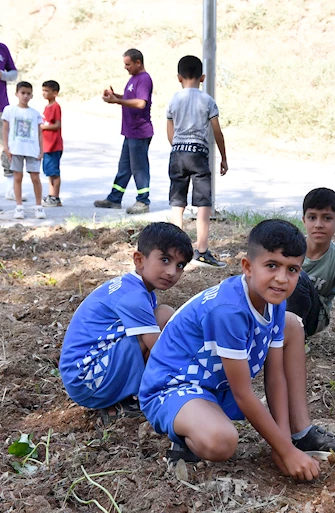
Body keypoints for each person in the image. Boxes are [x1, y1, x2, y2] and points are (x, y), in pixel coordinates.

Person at [138, 219, 335, 478]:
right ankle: (184, 436)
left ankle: (300, 433)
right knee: (222, 442)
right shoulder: (229, 312)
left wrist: (284, 445)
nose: (281, 278)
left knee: (292, 325)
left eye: (292, 269)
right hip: (174, 388)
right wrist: (284, 452)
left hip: (216, 387)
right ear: (247, 267)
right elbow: (243, 393)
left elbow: (276, 377)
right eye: (271, 266)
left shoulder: (274, 299)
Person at [59, 222, 193, 424]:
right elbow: (161, 350)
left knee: (162, 321)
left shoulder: (133, 287)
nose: (172, 272)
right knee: (164, 319)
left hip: (84, 376)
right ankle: (141, 396)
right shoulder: (135, 297)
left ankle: (128, 394)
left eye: (180, 265)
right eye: (165, 260)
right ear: (139, 260)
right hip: (87, 381)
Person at [166, 55, 229, 268]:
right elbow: (217, 132)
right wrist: (223, 157)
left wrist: (177, 149)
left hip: (177, 154)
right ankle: (201, 251)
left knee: (178, 202)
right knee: (203, 203)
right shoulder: (207, 101)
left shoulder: (174, 100)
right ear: (202, 77)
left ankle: (175, 250)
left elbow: (170, 132)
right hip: (199, 154)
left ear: (178, 77)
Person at [286, 188, 335, 362]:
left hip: (314, 318)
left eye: (327, 218)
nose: (318, 224)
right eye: (312, 217)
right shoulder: (291, 249)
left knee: (297, 277)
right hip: (281, 308)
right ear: (304, 220)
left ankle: (297, 340)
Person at [94, 48, 153, 214]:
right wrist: (116, 97)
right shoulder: (134, 79)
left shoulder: (144, 79)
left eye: (128, 64)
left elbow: (141, 103)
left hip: (139, 131)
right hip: (130, 131)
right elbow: (129, 99)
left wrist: (116, 102)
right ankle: (114, 198)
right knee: (124, 167)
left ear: (138, 62)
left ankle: (143, 201)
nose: (125, 67)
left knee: (139, 168)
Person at [2, 81, 44, 220]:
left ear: (32, 95)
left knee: (35, 178)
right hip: (16, 149)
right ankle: (19, 207)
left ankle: (39, 206)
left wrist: (41, 150)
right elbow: (6, 129)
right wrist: (6, 148)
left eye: (28, 93)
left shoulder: (35, 113)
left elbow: (39, 133)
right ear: (17, 94)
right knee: (17, 178)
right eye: (22, 93)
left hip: (32, 149)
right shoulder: (9, 110)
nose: (25, 96)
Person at [1, 40, 20, 201]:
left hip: (2, 106)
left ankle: (10, 189)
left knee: (7, 146)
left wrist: (3, 75)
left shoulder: (2, 48)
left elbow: (13, 73)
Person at [41, 80, 63, 207]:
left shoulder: (55, 107)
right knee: (49, 171)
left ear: (55, 93)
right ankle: (51, 195)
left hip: (54, 145)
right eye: (43, 90)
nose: (44, 93)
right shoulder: (47, 107)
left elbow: (57, 125)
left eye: (47, 91)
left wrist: (42, 127)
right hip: (47, 144)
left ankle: (56, 196)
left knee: (54, 172)